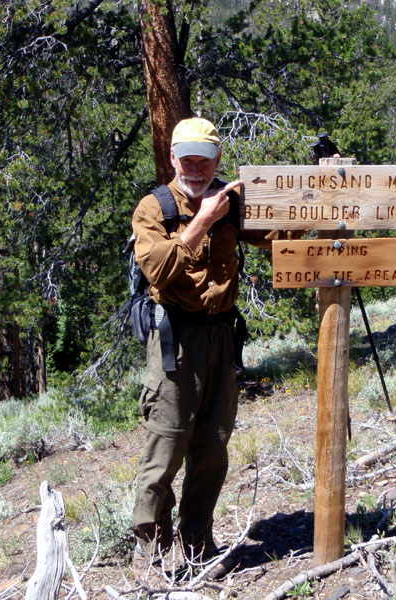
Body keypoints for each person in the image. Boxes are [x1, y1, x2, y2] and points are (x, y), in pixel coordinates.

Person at [130, 117, 287, 580]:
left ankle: (198, 543)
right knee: (167, 444)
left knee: (214, 446)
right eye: (187, 158)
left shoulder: (232, 200)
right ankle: (151, 550)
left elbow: (279, 238)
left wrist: (319, 218)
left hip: (221, 335)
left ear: (218, 160)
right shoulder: (154, 207)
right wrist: (203, 220)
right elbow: (159, 269)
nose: (195, 167)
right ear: (173, 158)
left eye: (205, 158)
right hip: (174, 339)